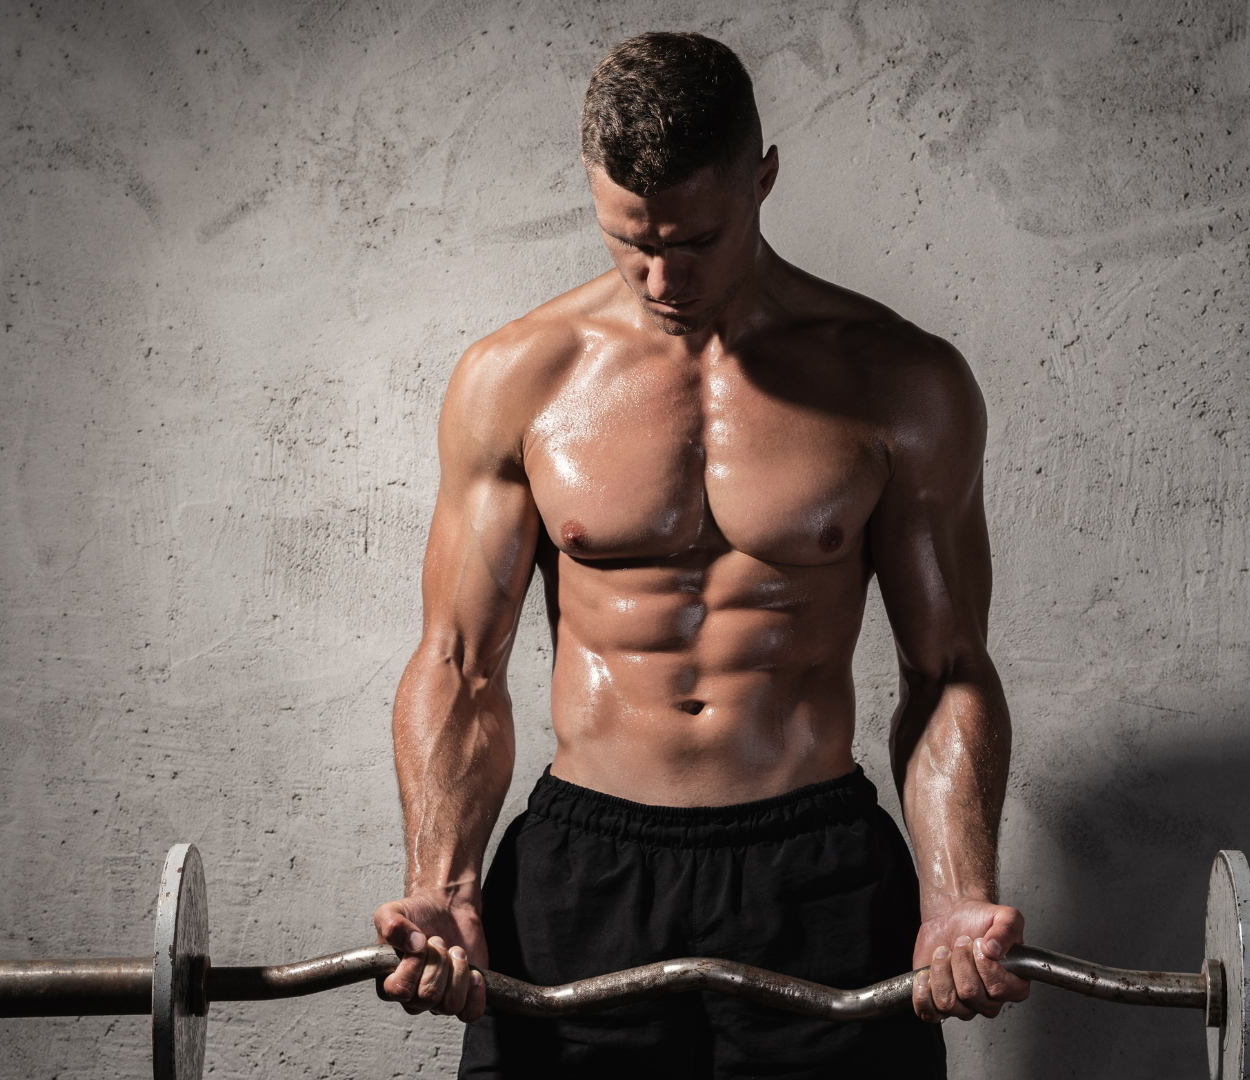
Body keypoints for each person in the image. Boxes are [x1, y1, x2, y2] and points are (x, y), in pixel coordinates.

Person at [372, 30, 1029, 1079]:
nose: (661, 274)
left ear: (763, 178)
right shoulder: (518, 379)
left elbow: (947, 671)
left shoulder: (899, 382)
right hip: (582, 874)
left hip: (814, 874)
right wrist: (442, 882)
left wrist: (954, 896)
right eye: (629, 240)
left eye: (695, 239)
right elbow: (459, 663)